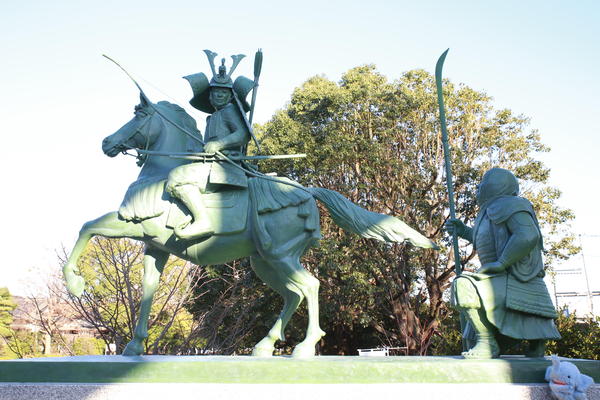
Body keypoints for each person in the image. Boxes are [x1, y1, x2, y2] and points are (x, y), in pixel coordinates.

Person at [445, 167, 560, 358]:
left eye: (483, 183)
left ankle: (487, 342)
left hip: (512, 274)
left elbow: (527, 234)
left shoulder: (512, 204)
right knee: (463, 285)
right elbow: (487, 238)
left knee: (463, 284)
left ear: (496, 185)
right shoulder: (488, 211)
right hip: (497, 274)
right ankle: (491, 340)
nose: (479, 188)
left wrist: (502, 263)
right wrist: (464, 231)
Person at [166, 52, 254, 240]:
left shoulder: (230, 111)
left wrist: (220, 143)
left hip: (225, 167)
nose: (220, 95)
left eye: (224, 92)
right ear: (210, 95)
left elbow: (244, 134)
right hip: (212, 165)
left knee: (177, 177)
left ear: (230, 96)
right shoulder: (213, 117)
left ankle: (202, 221)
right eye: (216, 92)